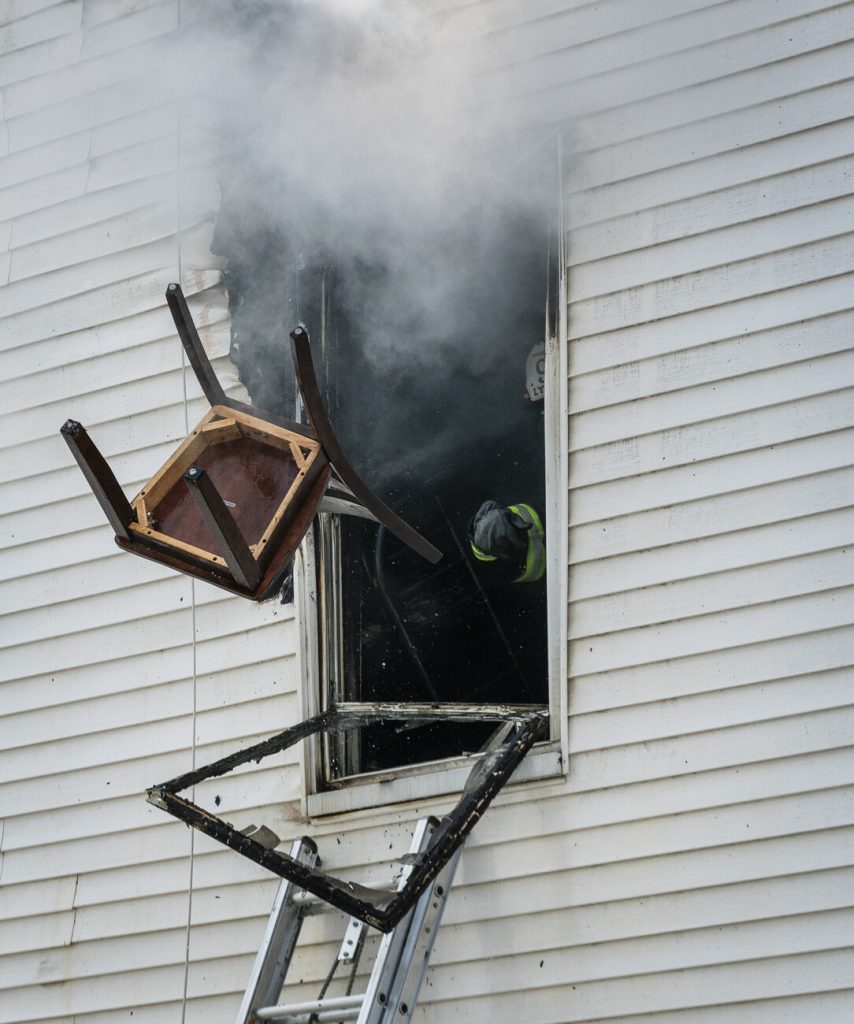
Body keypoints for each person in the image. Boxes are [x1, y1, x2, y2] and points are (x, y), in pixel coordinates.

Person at [468, 499, 545, 584]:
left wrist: (484, 525)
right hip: (556, 573)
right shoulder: (493, 572)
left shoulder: (495, 514)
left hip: (554, 514)